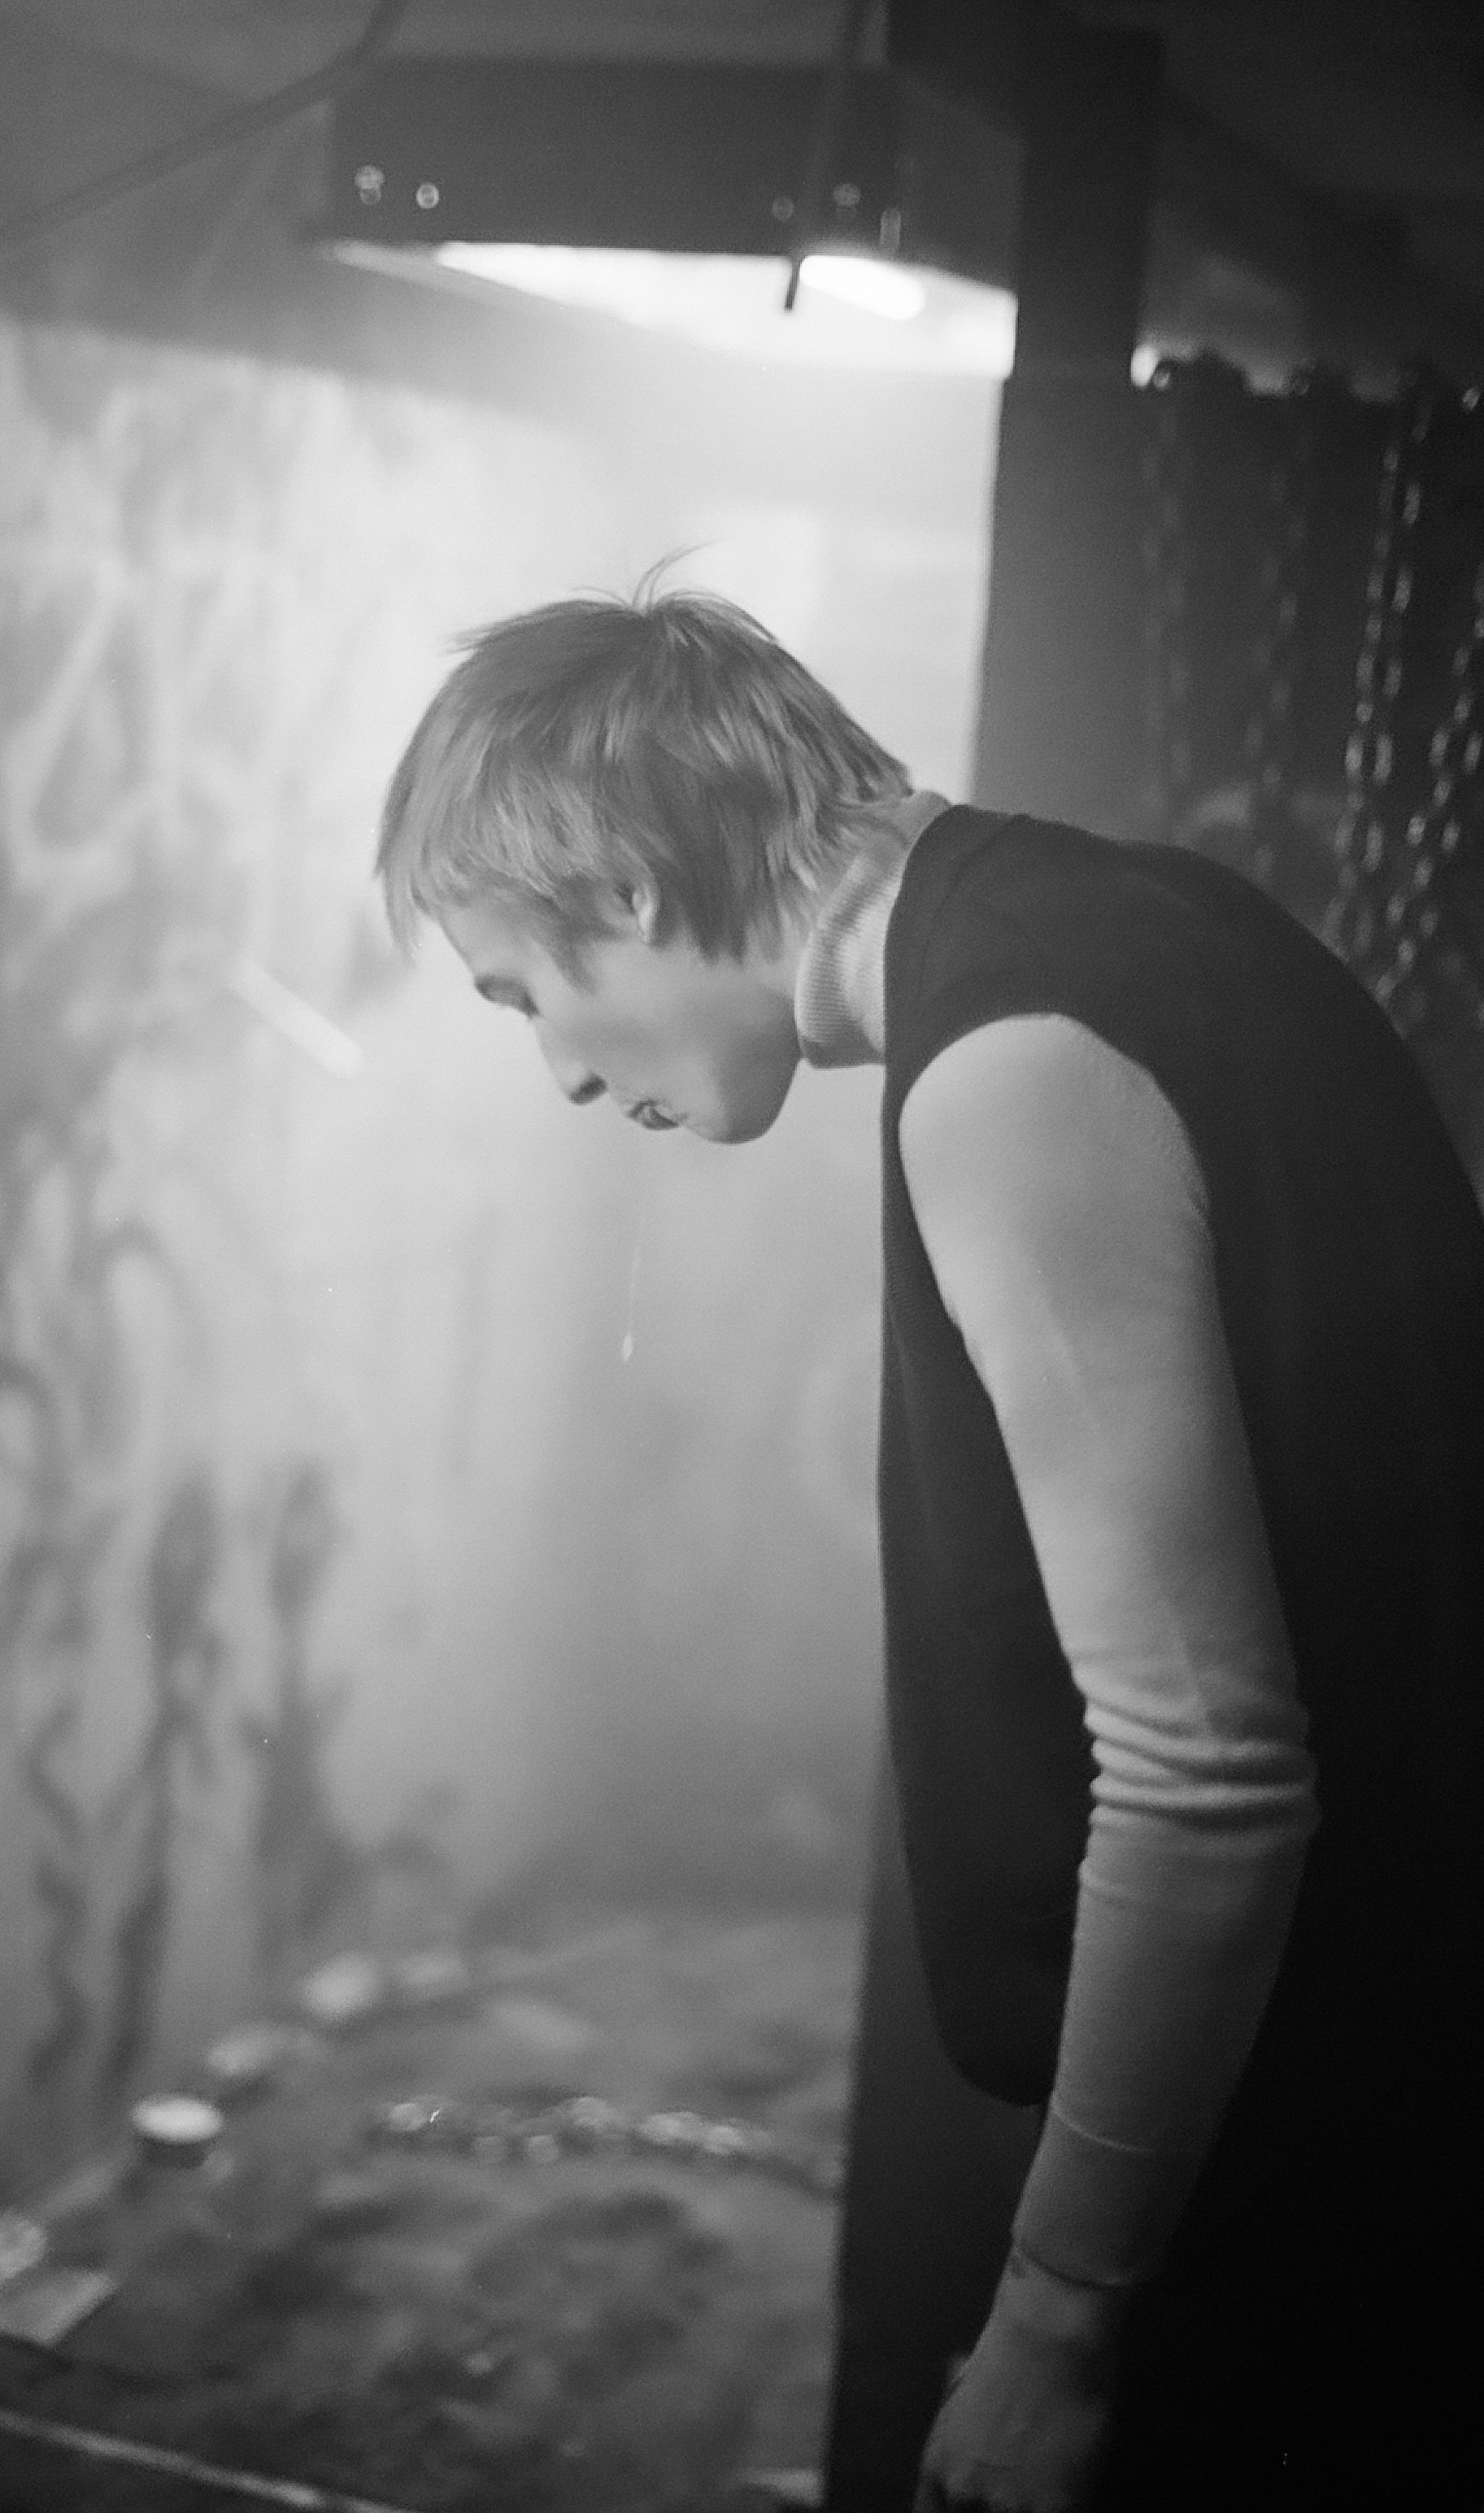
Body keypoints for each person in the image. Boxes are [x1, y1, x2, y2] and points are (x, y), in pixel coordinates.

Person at [376, 585, 1484, 2513]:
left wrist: (1058, 2319)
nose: (554, 1069)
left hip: (1304, 2147)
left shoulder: (1009, 1068)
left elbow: (1211, 1775)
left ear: (627, 889)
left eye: (518, 991)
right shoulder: (1135, 920)